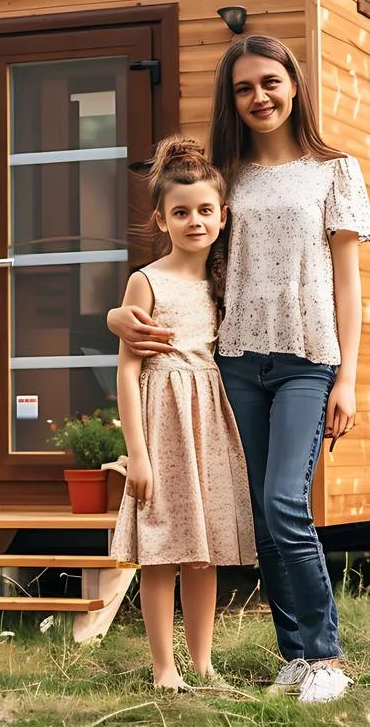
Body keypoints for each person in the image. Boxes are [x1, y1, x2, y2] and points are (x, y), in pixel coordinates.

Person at [107, 35, 370, 705]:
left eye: (270, 81)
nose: (259, 96)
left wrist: (347, 375)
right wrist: (120, 318)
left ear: (293, 85)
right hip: (234, 360)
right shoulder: (227, 174)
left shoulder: (334, 169)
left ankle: (325, 657)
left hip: (308, 360)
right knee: (261, 511)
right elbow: (184, 264)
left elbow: (348, 283)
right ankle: (293, 655)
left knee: (288, 502)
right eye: (243, 87)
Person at [108, 134, 256, 693]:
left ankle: (203, 663)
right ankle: (164, 668)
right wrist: (138, 456)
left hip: (209, 423)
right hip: (163, 422)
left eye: (204, 211)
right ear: (161, 219)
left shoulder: (227, 281)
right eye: (180, 212)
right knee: (163, 550)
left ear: (222, 216)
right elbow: (126, 371)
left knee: (205, 550)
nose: (194, 221)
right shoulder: (145, 281)